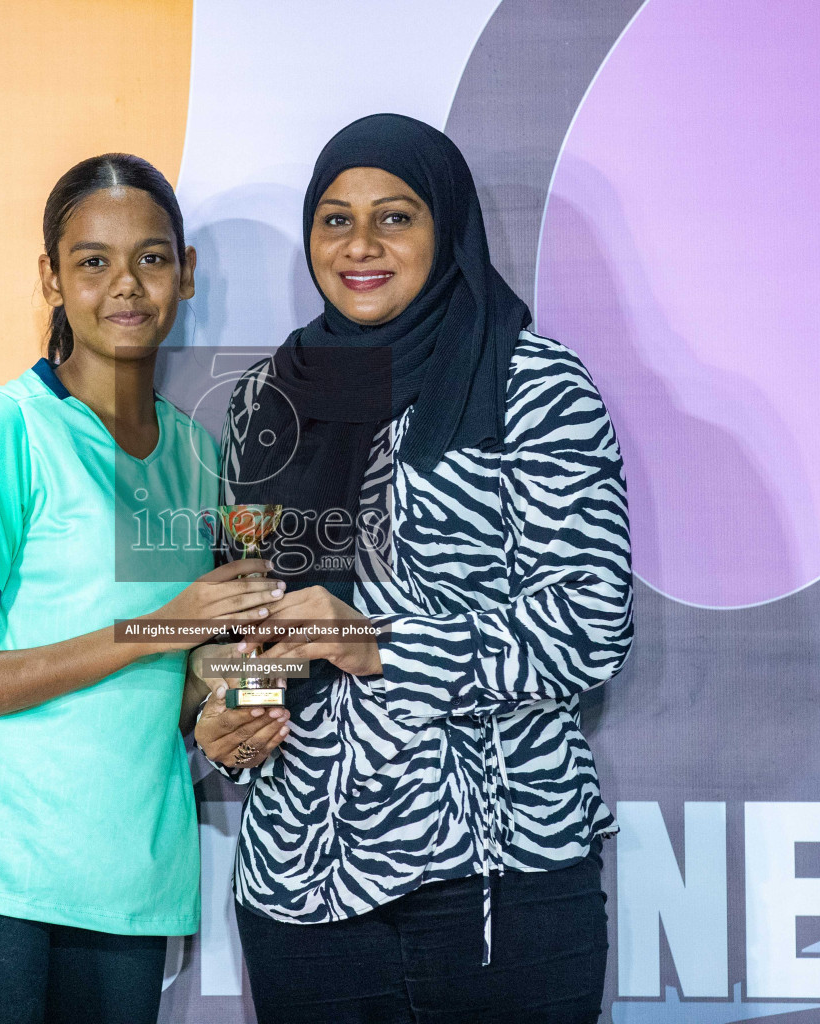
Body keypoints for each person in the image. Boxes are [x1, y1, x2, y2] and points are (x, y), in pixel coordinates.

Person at [194, 114, 634, 1023]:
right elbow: (253, 615)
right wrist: (227, 708)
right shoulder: (263, 402)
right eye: (334, 218)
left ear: (446, 228)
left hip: (491, 883)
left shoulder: (534, 386)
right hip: (296, 882)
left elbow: (592, 626)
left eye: (394, 218)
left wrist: (379, 642)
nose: (360, 245)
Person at [0, 153, 289, 1024]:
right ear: (51, 278)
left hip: (129, 887)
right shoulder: (6, 428)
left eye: (151, 258)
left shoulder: (200, 457)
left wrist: (227, 705)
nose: (126, 286)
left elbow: (180, 680)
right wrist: (159, 627)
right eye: (93, 261)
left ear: (186, 274)